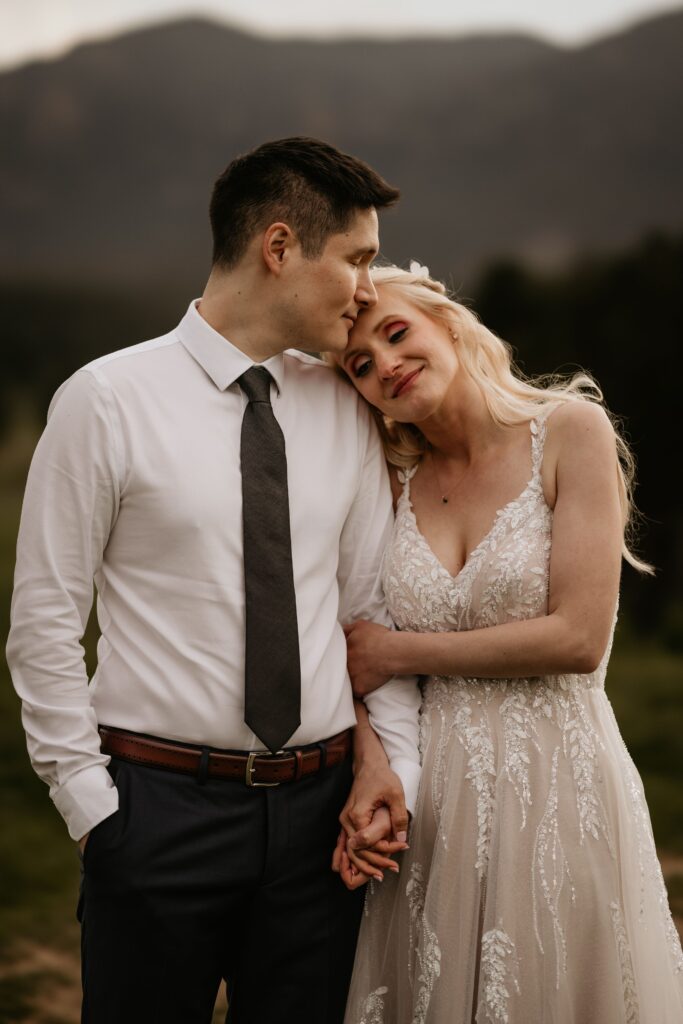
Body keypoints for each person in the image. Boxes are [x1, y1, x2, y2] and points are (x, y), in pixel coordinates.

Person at [5, 138, 422, 1023]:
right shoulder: (105, 400)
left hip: (321, 827)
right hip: (156, 816)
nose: (366, 287)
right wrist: (93, 811)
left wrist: (395, 774)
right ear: (279, 248)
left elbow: (366, 613)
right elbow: (44, 621)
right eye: (356, 258)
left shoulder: (343, 408)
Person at [330, 263, 683, 1022]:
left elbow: (578, 637)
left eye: (397, 334)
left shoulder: (567, 430)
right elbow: (344, 640)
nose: (385, 365)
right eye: (360, 365)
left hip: (560, 777)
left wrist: (403, 652)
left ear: (449, 326)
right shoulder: (390, 478)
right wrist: (370, 756)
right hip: (435, 793)